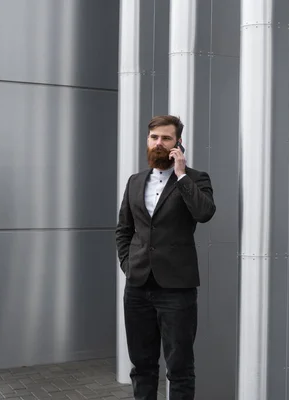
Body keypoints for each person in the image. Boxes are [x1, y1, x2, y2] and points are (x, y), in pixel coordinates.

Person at [115, 115, 216, 400]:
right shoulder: (135, 181)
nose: (159, 143)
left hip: (176, 290)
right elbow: (124, 230)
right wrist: (128, 264)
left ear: (178, 143)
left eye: (166, 138)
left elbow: (204, 213)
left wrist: (181, 174)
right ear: (148, 141)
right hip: (137, 288)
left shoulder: (196, 179)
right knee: (142, 366)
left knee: (180, 367)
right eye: (154, 137)